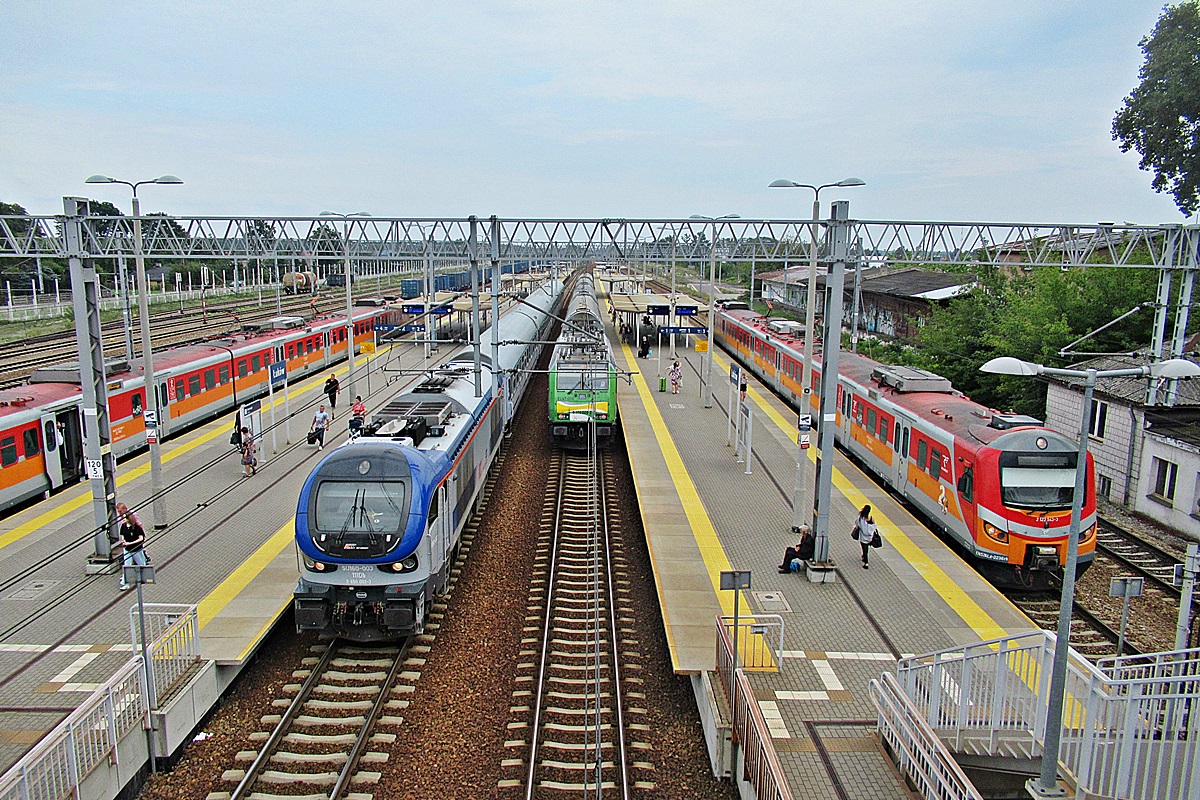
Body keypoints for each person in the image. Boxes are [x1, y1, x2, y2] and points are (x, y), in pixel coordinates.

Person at [116, 502, 147, 591]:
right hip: (127, 550)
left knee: (141, 564)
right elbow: (122, 534)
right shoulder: (123, 526)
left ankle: (144, 577)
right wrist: (123, 541)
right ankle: (126, 582)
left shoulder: (136, 527)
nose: (121, 517)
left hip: (136, 549)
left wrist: (130, 543)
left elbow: (141, 537)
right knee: (127, 565)